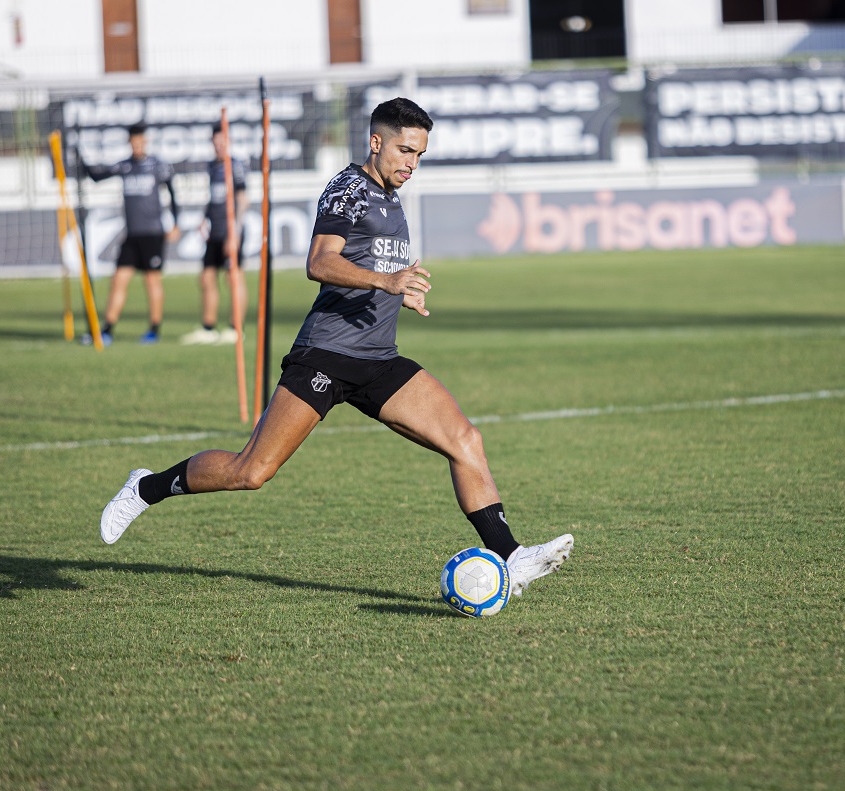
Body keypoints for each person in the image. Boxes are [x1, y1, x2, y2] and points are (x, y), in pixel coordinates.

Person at [99, 98, 573, 598]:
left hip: (378, 359)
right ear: (376, 142)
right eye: (405, 150)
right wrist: (387, 282)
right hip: (325, 354)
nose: (412, 163)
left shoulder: (392, 198)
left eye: (419, 154)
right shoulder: (348, 189)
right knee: (252, 471)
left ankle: (511, 556)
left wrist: (399, 293)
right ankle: (146, 487)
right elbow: (320, 262)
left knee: (465, 440)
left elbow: (373, 267)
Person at [81, 123, 180, 345]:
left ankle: (154, 329)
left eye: (140, 141)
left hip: (152, 234)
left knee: (152, 281)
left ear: (145, 141)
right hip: (132, 235)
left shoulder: (157, 165)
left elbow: (172, 191)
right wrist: (80, 158)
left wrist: (176, 223)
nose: (137, 146)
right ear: (129, 143)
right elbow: (97, 176)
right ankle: (107, 329)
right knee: (118, 280)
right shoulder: (125, 166)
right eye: (134, 142)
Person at [181, 123, 249, 345]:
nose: (219, 146)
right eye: (216, 142)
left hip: (231, 231)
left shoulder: (235, 166)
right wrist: (205, 218)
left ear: (229, 142)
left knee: (233, 278)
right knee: (207, 277)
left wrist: (235, 232)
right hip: (215, 231)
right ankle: (208, 328)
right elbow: (215, 197)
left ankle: (235, 328)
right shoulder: (212, 166)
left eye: (223, 141)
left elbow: (242, 199)